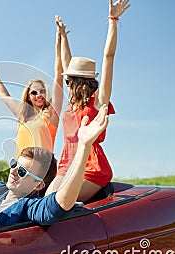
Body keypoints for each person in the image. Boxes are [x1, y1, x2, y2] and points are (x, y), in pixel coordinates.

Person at [46, 0, 131, 202]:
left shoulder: (99, 100)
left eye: (69, 80)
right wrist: (63, 36)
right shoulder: (72, 101)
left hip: (91, 166)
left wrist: (113, 20)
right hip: (68, 162)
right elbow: (67, 62)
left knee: (60, 203)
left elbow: (108, 57)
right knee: (47, 201)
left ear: (78, 82)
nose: (65, 82)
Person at [0, 21, 64, 157]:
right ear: (28, 96)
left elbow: (58, 77)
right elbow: (5, 95)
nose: (39, 94)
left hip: (42, 170)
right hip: (21, 170)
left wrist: (59, 41)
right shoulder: (23, 116)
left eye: (42, 91)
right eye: (34, 92)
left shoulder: (51, 114)